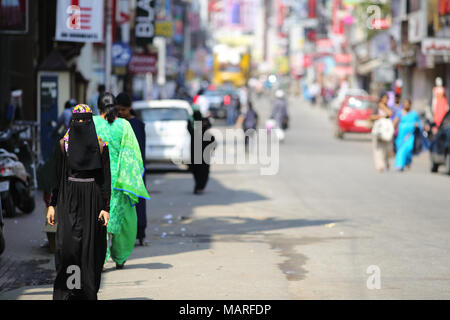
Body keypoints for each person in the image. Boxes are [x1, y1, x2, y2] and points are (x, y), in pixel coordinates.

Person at [46, 104, 110, 300]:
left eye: (85, 120)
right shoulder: (63, 146)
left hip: (93, 200)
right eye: (77, 120)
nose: (81, 124)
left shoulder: (101, 146)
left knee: (91, 250)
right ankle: (69, 292)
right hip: (68, 198)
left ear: (91, 121)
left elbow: (105, 179)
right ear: (72, 121)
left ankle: (87, 293)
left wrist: (105, 208)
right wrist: (52, 204)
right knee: (69, 248)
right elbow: (57, 177)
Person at [93, 93, 150, 269]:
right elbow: (133, 153)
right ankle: (120, 257)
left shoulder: (91, 123)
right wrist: (130, 178)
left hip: (95, 179)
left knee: (97, 218)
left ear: (98, 106)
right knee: (122, 220)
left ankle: (99, 258)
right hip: (119, 180)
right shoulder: (124, 125)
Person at [116, 92, 148, 246]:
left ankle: (140, 232)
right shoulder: (116, 124)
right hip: (119, 169)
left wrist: (137, 168)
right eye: (118, 110)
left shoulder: (138, 124)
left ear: (129, 108)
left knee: (138, 202)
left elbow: (141, 149)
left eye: (123, 109)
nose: (121, 113)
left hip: (136, 169)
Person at [187, 110, 216, 195]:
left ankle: (199, 187)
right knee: (201, 172)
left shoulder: (197, 131)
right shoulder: (196, 131)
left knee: (200, 172)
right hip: (200, 155)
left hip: (199, 155)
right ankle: (199, 187)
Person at [393, 99, 422, 171]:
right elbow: (395, 122)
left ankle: (407, 162)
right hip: (401, 135)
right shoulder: (400, 113)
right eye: (404, 103)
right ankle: (399, 165)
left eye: (407, 104)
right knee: (400, 149)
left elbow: (419, 123)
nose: (406, 105)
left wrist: (417, 125)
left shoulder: (414, 114)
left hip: (410, 135)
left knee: (408, 149)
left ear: (410, 104)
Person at [370, 93, 395, 172]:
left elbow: (390, 114)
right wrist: (382, 117)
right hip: (378, 131)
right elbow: (371, 117)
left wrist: (383, 107)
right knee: (378, 149)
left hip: (387, 132)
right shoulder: (376, 107)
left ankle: (386, 161)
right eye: (384, 98)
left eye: (387, 98)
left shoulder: (388, 107)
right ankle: (379, 165)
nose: (386, 100)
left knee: (388, 149)